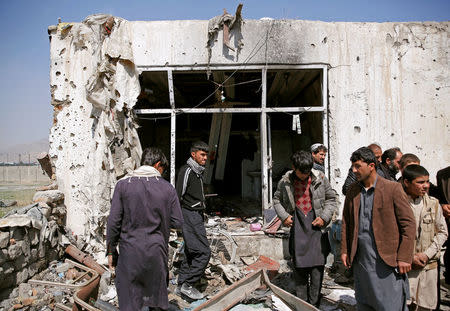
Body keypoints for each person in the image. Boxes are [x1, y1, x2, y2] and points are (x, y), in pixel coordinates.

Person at [106, 147, 184, 311]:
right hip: (156, 252)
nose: (162, 173)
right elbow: (178, 222)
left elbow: (113, 222)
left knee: (130, 302)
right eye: (163, 169)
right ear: (157, 165)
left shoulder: (122, 186)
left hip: (129, 254)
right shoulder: (167, 188)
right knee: (155, 302)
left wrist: (111, 250)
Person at [341, 147, 416, 311]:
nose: (354, 171)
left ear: (371, 166)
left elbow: (408, 225)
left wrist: (404, 257)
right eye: (353, 166)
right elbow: (346, 221)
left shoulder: (392, 189)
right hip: (362, 260)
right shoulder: (353, 190)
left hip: (387, 262)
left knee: (389, 304)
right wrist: (345, 250)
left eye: (357, 166)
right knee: (365, 302)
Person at [273, 150, 337, 307]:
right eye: (302, 173)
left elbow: (331, 198)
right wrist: (284, 217)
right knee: (299, 267)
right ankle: (302, 305)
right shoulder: (285, 181)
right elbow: (276, 200)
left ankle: (314, 305)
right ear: (294, 168)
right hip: (298, 226)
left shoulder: (320, 178)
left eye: (308, 172)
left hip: (317, 228)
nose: (305, 175)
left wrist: (324, 217)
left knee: (317, 267)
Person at [402, 165, 448, 311]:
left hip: (428, 267)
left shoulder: (433, 204)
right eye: (420, 182)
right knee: (405, 305)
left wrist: (426, 254)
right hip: (406, 268)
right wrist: (410, 257)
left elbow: (442, 232)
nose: (426, 186)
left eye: (427, 182)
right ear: (406, 183)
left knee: (426, 306)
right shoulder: (398, 204)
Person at [175, 141, 210, 300]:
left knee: (191, 252)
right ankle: (188, 284)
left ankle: (180, 285)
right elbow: (178, 195)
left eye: (206, 155)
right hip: (189, 215)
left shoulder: (197, 172)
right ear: (193, 154)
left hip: (196, 215)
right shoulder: (187, 170)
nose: (205, 158)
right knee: (203, 252)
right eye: (202, 154)